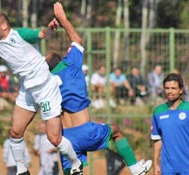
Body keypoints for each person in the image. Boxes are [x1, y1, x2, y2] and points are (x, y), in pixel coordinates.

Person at [0, 11, 82, 175]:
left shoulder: (20, 34)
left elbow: (41, 34)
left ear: (4, 26)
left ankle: (76, 163)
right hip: (27, 90)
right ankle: (21, 170)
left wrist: (49, 29)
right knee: (15, 133)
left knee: (54, 138)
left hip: (46, 88)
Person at [46, 2, 152, 175]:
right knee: (116, 131)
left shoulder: (46, 80)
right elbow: (77, 40)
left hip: (64, 137)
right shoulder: (70, 64)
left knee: (70, 169)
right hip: (85, 132)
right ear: (62, 59)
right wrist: (63, 19)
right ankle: (135, 169)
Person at [151, 73, 189, 175]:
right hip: (168, 168)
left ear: (181, 90)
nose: (169, 91)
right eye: (167, 88)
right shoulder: (158, 112)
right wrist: (155, 164)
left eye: (173, 88)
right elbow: (157, 139)